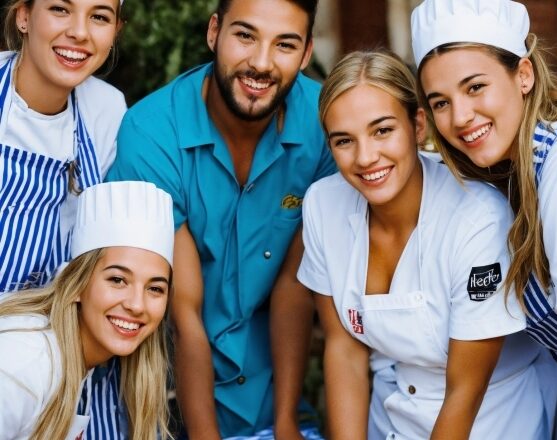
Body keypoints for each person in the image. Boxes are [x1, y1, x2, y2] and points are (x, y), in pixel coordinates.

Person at [106, 0, 335, 437]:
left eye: (285, 44)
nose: (261, 63)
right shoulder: (151, 132)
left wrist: (286, 420)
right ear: (215, 32)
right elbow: (183, 311)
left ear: (306, 54)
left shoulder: (324, 122)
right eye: (245, 35)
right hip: (168, 398)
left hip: (272, 390)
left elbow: (294, 285)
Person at [297, 49, 549, 439]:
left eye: (383, 130)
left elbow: (465, 390)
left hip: (490, 417)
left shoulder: (477, 217)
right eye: (344, 140)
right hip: (392, 412)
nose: (366, 158)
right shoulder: (322, 205)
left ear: (417, 126)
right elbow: (344, 350)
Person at [412, 0, 557, 437]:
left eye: (475, 87)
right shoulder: (514, 172)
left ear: (524, 75)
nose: (459, 117)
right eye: (440, 102)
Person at [1, 0, 128, 438]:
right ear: (23, 16)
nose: (80, 32)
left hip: (70, 361)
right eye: (60, 9)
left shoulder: (106, 111)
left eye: (99, 16)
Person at [0, 180, 174, 440]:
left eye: (155, 289)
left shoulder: (81, 363)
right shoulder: (22, 363)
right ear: (77, 284)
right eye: (117, 280)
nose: (137, 305)